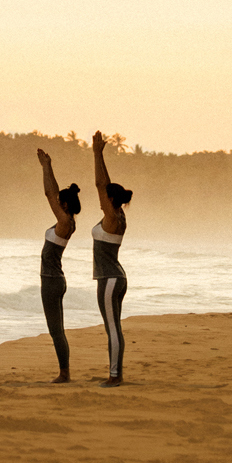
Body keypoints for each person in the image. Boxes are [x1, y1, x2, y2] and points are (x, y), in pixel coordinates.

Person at [91, 129, 132, 386]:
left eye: (106, 198)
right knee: (114, 326)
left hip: (109, 279)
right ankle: (115, 373)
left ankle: (115, 376)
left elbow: (100, 185)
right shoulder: (118, 216)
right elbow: (105, 186)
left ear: (112, 200)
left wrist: (97, 154)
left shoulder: (112, 217)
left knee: (112, 328)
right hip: (116, 277)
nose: (101, 200)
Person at [35, 147, 79, 382]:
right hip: (55, 280)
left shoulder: (65, 223)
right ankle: (64, 371)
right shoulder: (67, 222)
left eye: (58, 202)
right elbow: (52, 195)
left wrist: (46, 167)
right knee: (57, 329)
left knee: (56, 330)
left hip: (51, 281)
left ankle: (64, 373)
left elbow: (49, 194)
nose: (55, 203)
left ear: (64, 205)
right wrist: (47, 166)